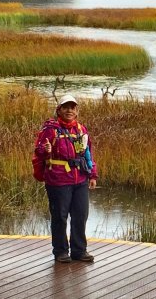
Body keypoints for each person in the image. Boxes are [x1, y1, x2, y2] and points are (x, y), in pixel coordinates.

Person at [34, 94, 98, 263]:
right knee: (60, 217)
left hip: (80, 180)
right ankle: (61, 251)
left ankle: (79, 251)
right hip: (58, 180)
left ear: (77, 111)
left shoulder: (81, 130)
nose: (69, 110)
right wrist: (45, 148)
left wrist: (92, 174)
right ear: (59, 110)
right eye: (66, 107)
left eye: (72, 107)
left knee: (80, 215)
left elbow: (87, 153)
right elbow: (39, 151)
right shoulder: (50, 129)